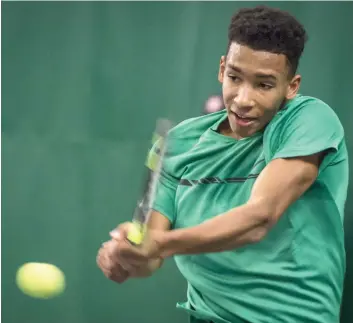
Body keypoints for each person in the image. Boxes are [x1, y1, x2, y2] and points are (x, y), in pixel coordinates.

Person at [97, 5, 348, 323]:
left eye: (264, 85)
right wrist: (130, 257)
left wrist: (159, 243)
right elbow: (152, 257)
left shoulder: (309, 120)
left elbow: (260, 218)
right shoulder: (180, 142)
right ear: (221, 69)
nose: (243, 99)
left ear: (292, 86)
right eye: (234, 77)